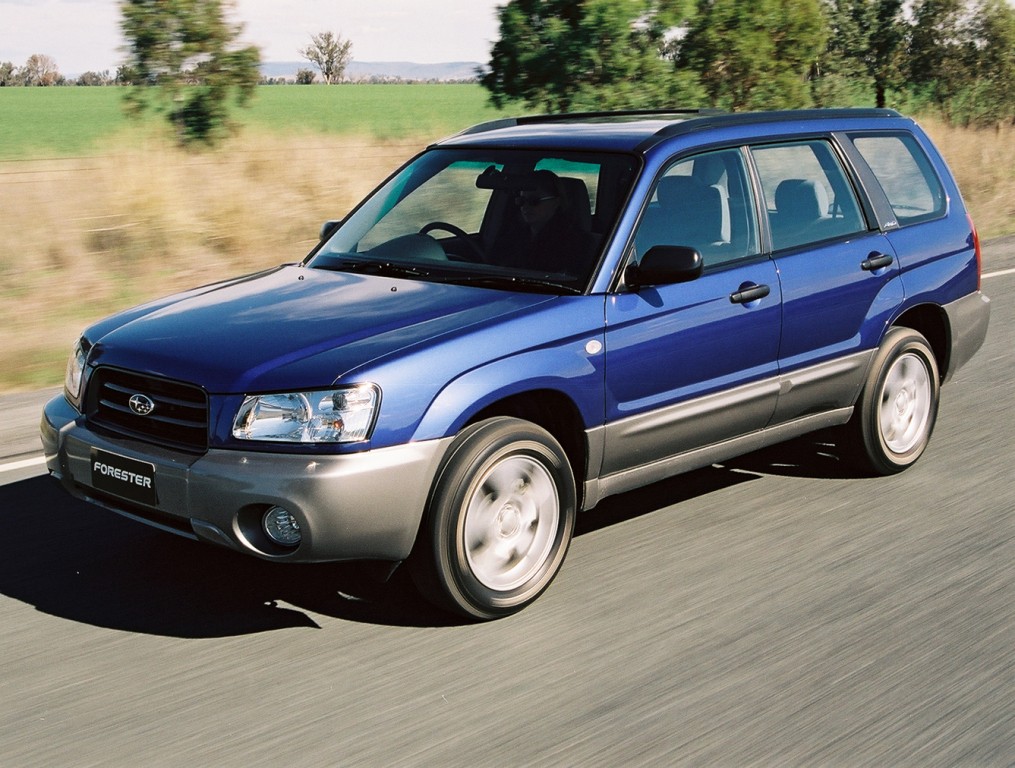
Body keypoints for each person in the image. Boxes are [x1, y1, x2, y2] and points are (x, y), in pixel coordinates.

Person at [493, 170, 589, 275]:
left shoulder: (574, 243)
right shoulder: (514, 235)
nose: (525, 207)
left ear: (556, 202)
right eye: (521, 200)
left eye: (534, 201)